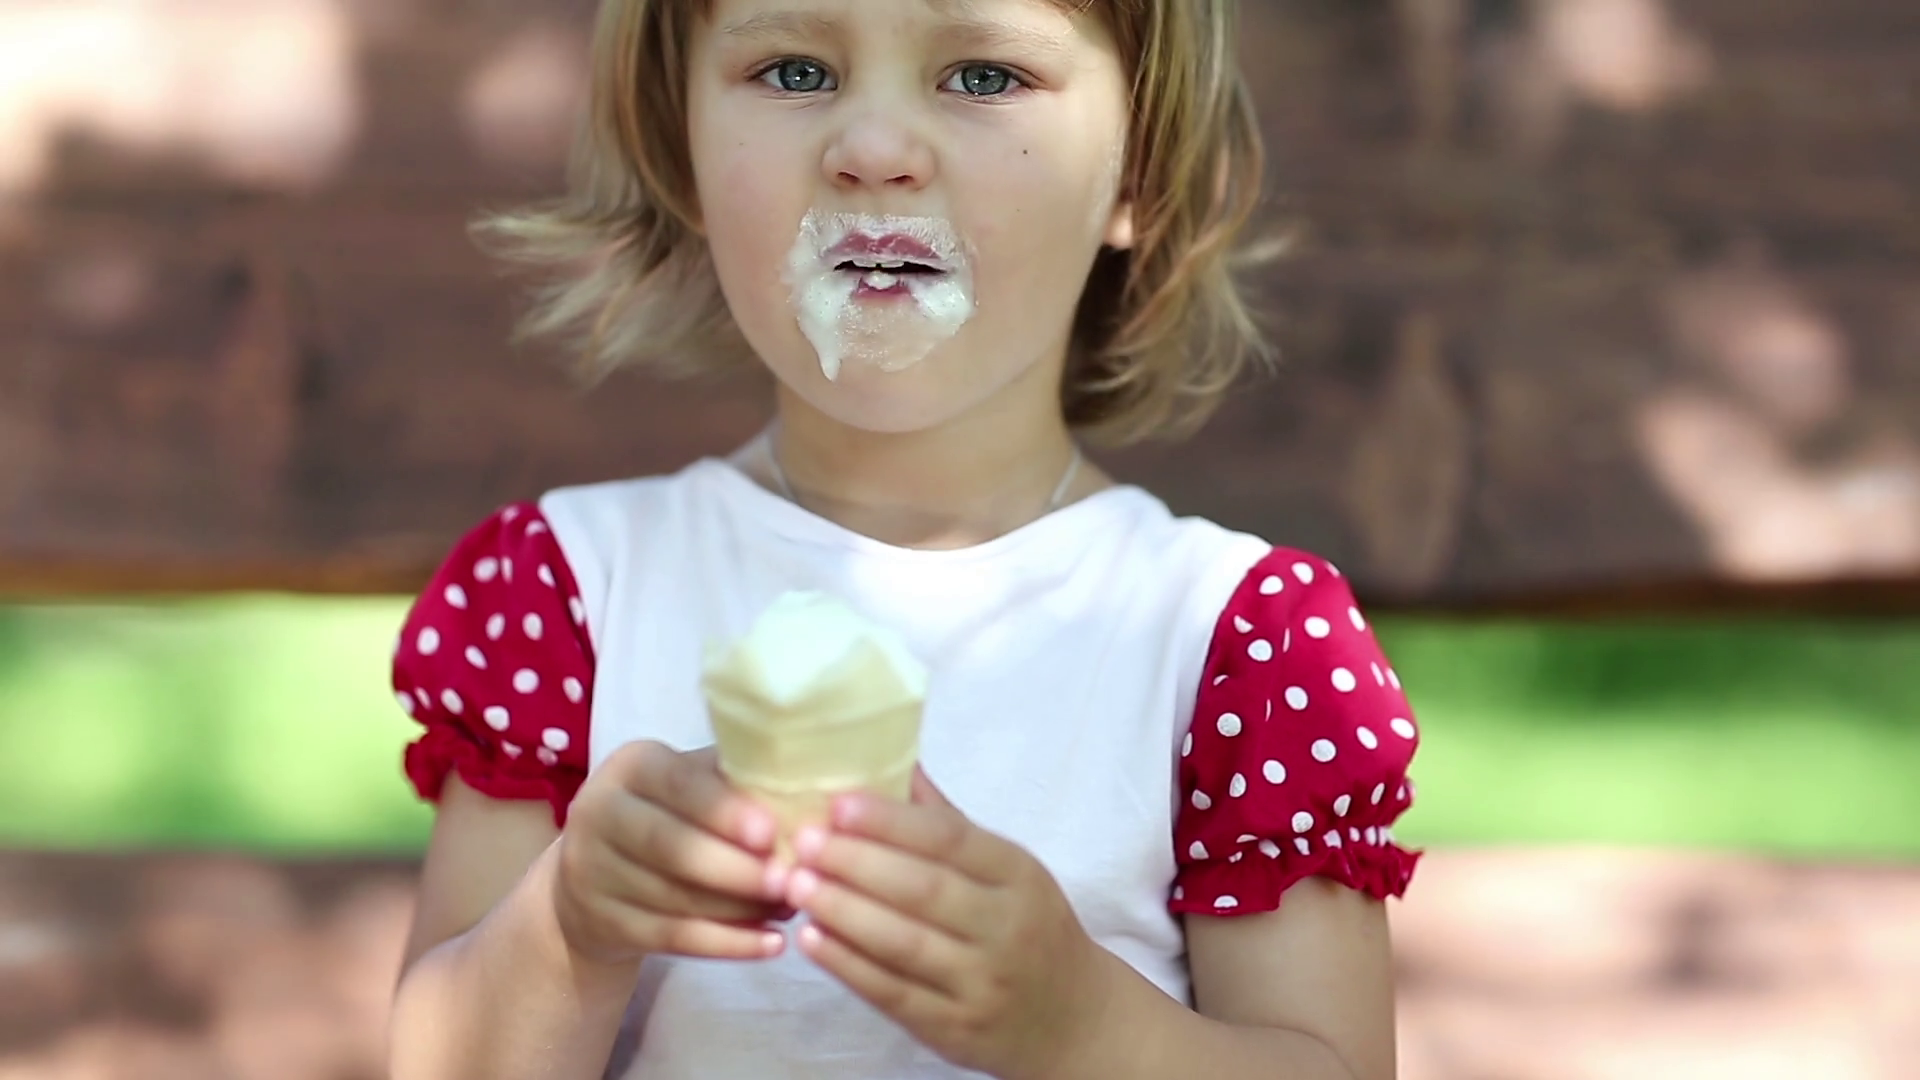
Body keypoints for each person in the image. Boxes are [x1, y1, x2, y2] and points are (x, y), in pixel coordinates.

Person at [386, 1, 1423, 1078]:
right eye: (793, 71)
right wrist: (571, 920)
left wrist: (1084, 1025)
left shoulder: (1230, 639)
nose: (873, 150)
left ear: (1138, 174)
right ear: (679, 145)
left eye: (982, 77)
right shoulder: (573, 593)